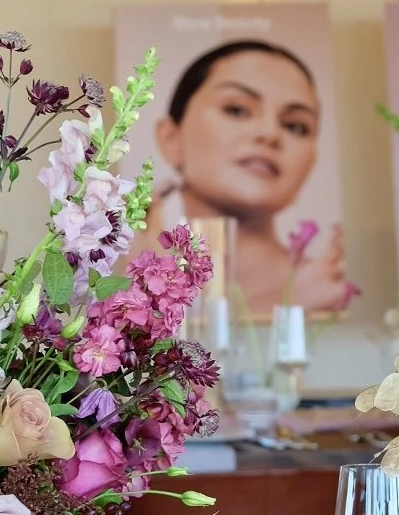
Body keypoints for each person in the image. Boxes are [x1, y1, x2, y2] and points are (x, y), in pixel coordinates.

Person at [135, 38, 353, 315]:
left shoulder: (331, 294)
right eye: (237, 110)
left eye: (296, 126)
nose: (269, 134)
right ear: (170, 138)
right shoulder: (124, 277)